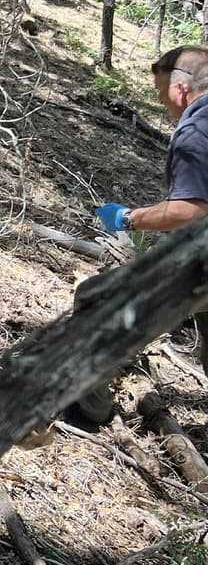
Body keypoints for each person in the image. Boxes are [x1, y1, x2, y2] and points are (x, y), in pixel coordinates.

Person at [77, 45, 208, 424]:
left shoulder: (197, 131)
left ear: (181, 88)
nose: (161, 102)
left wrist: (128, 218)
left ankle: (88, 409)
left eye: (160, 91)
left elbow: (191, 209)